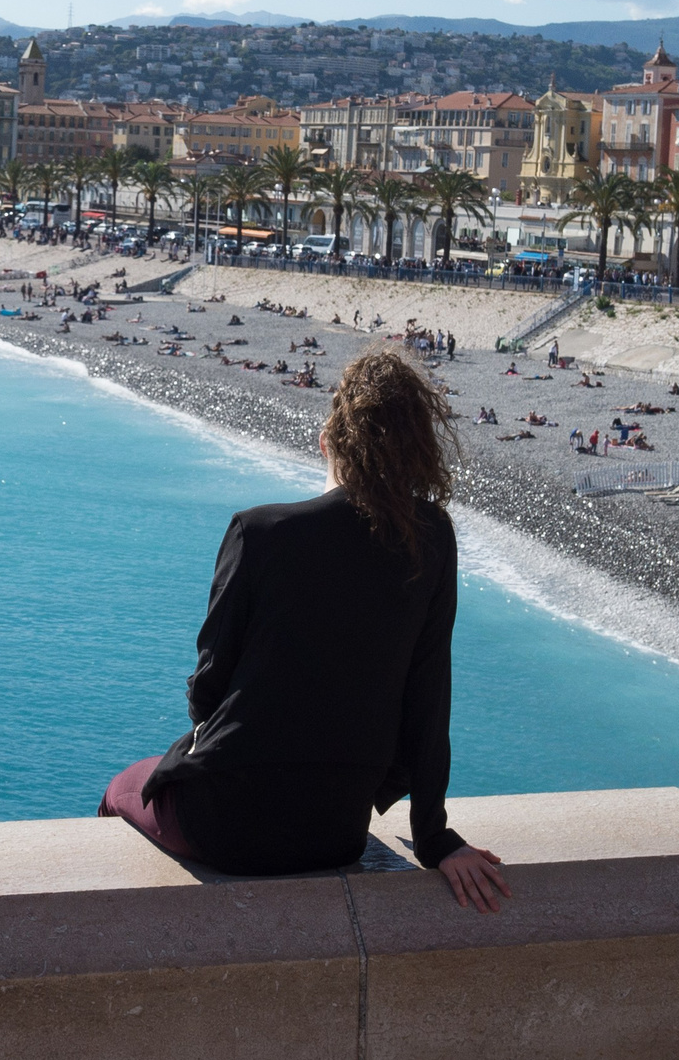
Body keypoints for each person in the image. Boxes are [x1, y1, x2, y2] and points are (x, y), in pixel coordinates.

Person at [98, 351, 511, 912]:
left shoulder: (261, 532)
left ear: (328, 440)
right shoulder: (432, 538)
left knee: (124, 787)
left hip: (226, 827)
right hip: (334, 833)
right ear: (419, 450)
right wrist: (435, 838)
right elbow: (429, 694)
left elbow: (208, 692)